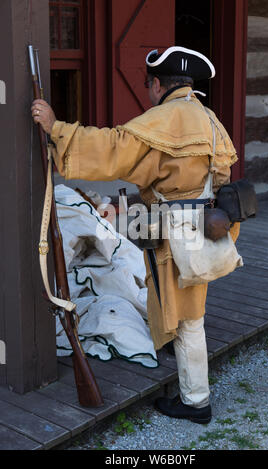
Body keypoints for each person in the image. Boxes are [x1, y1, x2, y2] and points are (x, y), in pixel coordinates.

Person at [31, 46, 240, 424]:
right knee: (188, 310)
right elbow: (222, 174)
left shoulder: (166, 117)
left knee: (189, 319)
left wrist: (56, 129)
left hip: (176, 232)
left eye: (149, 85)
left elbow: (114, 147)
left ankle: (196, 402)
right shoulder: (209, 119)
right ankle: (186, 378)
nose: (148, 93)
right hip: (205, 229)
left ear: (158, 84)